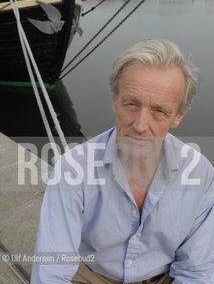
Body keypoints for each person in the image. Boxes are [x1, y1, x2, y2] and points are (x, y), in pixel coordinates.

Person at [31, 38, 214, 284]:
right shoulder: (73, 167)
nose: (140, 126)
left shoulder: (201, 173)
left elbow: (196, 270)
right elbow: (52, 270)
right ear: (115, 101)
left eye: (159, 111)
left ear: (178, 115)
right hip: (90, 275)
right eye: (131, 104)